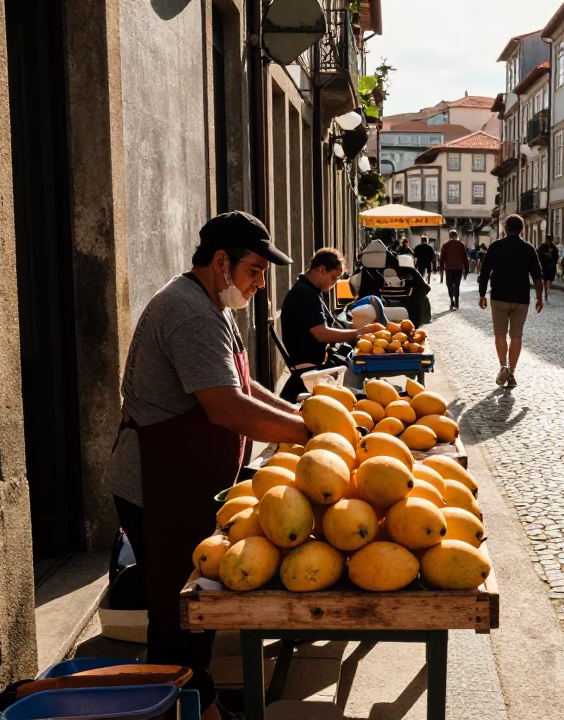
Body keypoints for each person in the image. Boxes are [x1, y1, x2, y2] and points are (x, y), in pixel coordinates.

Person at [101, 211, 311, 720]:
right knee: (181, 613)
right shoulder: (190, 314)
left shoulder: (212, 305)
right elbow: (227, 408)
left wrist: (299, 412)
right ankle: (193, 707)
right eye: (255, 270)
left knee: (194, 607)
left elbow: (243, 386)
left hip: (191, 483)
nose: (261, 284)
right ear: (221, 262)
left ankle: (192, 701)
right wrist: (308, 434)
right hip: (158, 484)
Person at [279, 248, 385, 401]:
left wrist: (353, 330)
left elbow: (328, 324)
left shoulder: (312, 290)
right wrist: (357, 333)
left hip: (320, 362)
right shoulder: (303, 294)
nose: (335, 283)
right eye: (334, 278)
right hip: (311, 370)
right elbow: (322, 333)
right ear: (321, 270)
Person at [478, 214, 544, 389]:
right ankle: (512, 373)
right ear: (521, 229)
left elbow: (484, 272)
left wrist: (482, 294)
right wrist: (539, 297)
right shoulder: (529, 248)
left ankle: (503, 366)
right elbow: (538, 276)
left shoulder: (495, 247)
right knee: (516, 336)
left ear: (505, 228)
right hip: (521, 298)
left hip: (499, 296)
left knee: (499, 334)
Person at [440, 230, 471, 310]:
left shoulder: (446, 245)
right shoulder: (461, 245)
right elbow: (465, 259)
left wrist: (441, 269)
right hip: (459, 268)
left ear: (450, 236)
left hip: (449, 268)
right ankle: (456, 303)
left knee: (449, 285)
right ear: (456, 236)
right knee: (457, 285)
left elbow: (442, 258)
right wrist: (466, 270)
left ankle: (451, 300)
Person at [537, 235, 559, 304]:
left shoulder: (554, 247)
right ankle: (546, 294)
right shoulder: (542, 246)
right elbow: (538, 253)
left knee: (551, 279)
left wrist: (553, 261)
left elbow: (556, 256)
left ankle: (548, 289)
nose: (547, 241)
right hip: (545, 265)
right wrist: (544, 255)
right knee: (545, 279)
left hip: (552, 266)